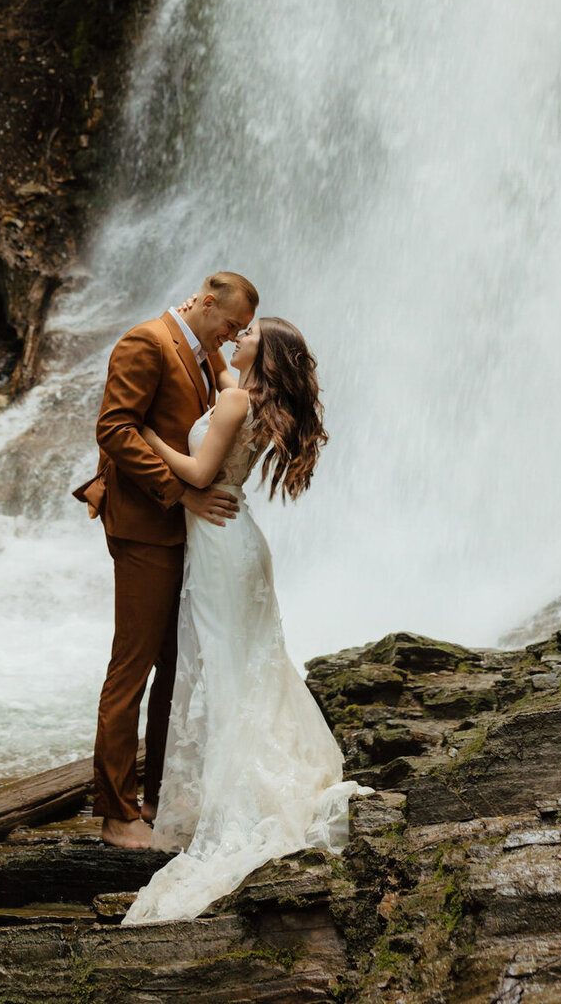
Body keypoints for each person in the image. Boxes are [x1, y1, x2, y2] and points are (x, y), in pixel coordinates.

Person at [122, 315, 360, 924]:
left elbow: (200, 474)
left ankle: (240, 797)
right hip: (238, 541)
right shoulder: (245, 393)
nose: (238, 333)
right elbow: (225, 372)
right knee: (251, 667)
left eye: (248, 330)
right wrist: (195, 332)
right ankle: (247, 780)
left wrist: (147, 438)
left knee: (229, 671)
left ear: (264, 351)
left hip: (221, 542)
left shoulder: (233, 400)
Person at [75, 273, 259, 851]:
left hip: (180, 534)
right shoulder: (145, 341)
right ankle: (114, 812)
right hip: (143, 526)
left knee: (174, 667)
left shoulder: (201, 352)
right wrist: (183, 493)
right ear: (206, 302)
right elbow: (114, 428)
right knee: (131, 667)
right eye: (230, 325)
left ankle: (153, 796)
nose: (233, 338)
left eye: (240, 332)